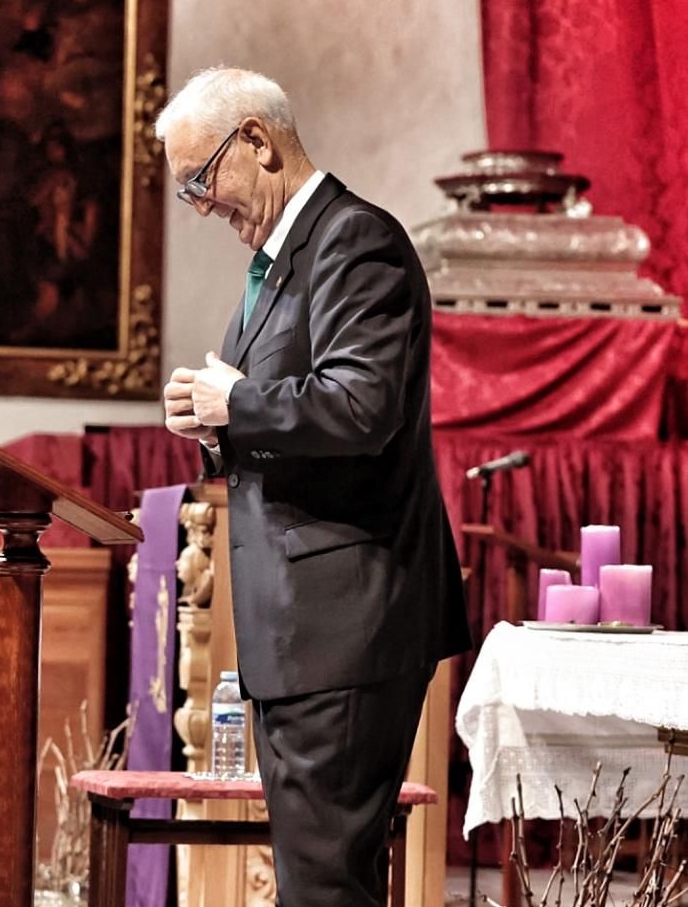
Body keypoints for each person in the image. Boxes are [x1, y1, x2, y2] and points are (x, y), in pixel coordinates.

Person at [157, 69, 470, 906]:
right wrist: (213, 424)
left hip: (346, 623)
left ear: (257, 140)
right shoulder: (279, 261)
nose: (197, 206)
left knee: (326, 888)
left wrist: (237, 402)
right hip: (304, 635)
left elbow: (363, 406)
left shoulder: (354, 241)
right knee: (320, 881)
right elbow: (278, 424)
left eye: (199, 179)